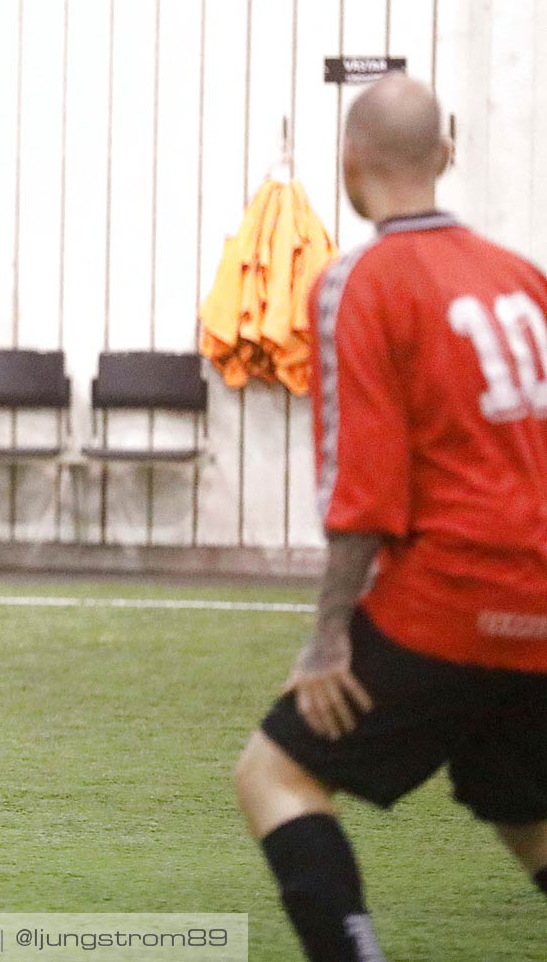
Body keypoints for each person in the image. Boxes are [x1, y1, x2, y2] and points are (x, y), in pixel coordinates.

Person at [233, 74, 547, 960]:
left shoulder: (358, 280)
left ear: (347, 163)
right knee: (525, 813)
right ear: (446, 157)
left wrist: (329, 637)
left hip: (449, 596)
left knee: (274, 772)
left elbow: (361, 485)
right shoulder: (525, 280)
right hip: (540, 601)